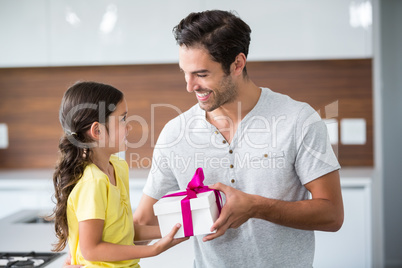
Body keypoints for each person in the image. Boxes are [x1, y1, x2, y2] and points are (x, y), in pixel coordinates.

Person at [133, 10, 344, 268]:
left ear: (237, 64)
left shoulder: (298, 119)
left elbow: (332, 215)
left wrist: (256, 206)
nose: (189, 86)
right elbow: (142, 223)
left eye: (201, 74)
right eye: (184, 73)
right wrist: (87, 254)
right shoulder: (175, 133)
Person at [51, 81, 187, 267]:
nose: (129, 127)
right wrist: (153, 250)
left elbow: (122, 231)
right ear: (97, 131)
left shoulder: (118, 167)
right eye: (123, 119)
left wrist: (176, 228)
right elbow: (91, 250)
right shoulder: (93, 183)